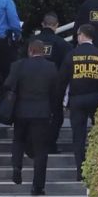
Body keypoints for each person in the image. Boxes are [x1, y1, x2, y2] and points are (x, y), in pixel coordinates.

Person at [3, 40, 61, 196]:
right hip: (42, 113)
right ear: (44, 51)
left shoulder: (18, 65)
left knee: (18, 140)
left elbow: (8, 84)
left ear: (30, 50)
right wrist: (54, 111)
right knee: (41, 150)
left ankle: (17, 167)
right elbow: (56, 92)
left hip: (20, 111)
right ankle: (38, 186)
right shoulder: (51, 67)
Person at [59, 24, 98, 181]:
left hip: (76, 99)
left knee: (78, 136)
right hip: (95, 98)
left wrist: (61, 101)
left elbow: (62, 79)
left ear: (81, 35)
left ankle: (80, 171)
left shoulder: (72, 55)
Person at [30, 12, 73, 153]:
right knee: (56, 117)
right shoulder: (63, 44)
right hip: (55, 87)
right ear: (56, 26)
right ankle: (50, 144)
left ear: (42, 24)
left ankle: (35, 142)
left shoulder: (31, 41)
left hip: (31, 86)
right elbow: (68, 67)